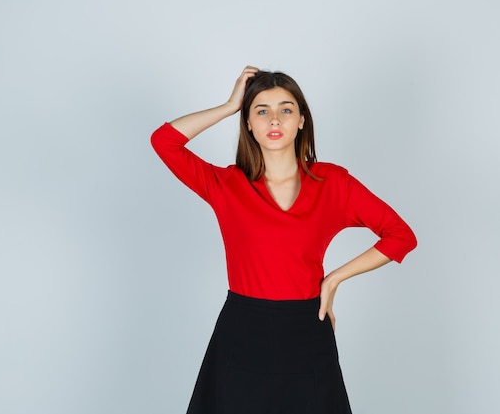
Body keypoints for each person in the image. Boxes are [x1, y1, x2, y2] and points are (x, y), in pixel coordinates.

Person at [150, 66, 417, 414]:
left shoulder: (333, 183)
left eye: (286, 109)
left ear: (302, 120)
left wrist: (334, 279)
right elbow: (164, 141)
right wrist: (231, 104)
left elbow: (400, 236)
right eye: (261, 111)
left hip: (307, 328)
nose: (274, 120)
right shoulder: (226, 185)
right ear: (248, 123)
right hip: (242, 330)